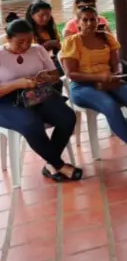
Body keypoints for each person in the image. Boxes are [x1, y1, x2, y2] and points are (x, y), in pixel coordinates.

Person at [61, 6, 127, 159]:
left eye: (92, 19)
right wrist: (98, 77)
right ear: (78, 23)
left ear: (97, 20)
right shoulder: (72, 42)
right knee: (109, 105)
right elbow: (71, 74)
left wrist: (117, 73)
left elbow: (116, 63)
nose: (89, 23)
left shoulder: (106, 37)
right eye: (84, 20)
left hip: (108, 80)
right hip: (82, 86)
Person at [0, 17, 79, 182]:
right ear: (8, 39)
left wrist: (46, 77)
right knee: (31, 124)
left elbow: (55, 75)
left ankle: (50, 165)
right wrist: (17, 84)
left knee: (67, 117)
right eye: (20, 42)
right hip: (7, 102)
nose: (25, 46)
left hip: (38, 95)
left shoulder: (37, 50)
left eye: (29, 41)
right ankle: (59, 165)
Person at [23, 0, 63, 83]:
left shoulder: (50, 29)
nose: (45, 18)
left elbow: (58, 44)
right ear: (32, 16)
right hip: (34, 64)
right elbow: (29, 52)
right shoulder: (26, 32)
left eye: (48, 15)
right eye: (41, 15)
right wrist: (48, 44)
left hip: (50, 60)